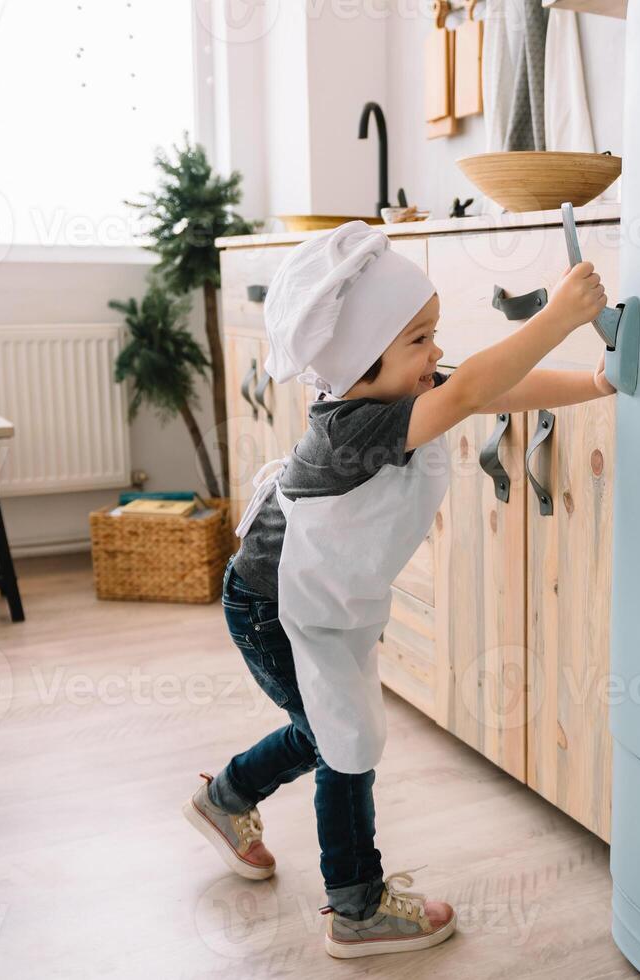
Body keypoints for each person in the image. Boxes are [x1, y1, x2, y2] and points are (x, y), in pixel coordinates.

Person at [181, 220, 613, 959]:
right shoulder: (354, 427)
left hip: (316, 605)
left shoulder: (387, 396)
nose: (436, 353)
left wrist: (597, 384)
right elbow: (477, 383)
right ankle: (355, 907)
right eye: (419, 339)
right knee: (341, 740)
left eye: (433, 334)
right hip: (272, 607)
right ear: (360, 356)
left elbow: (498, 388)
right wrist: (559, 315)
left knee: (330, 731)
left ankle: (225, 800)